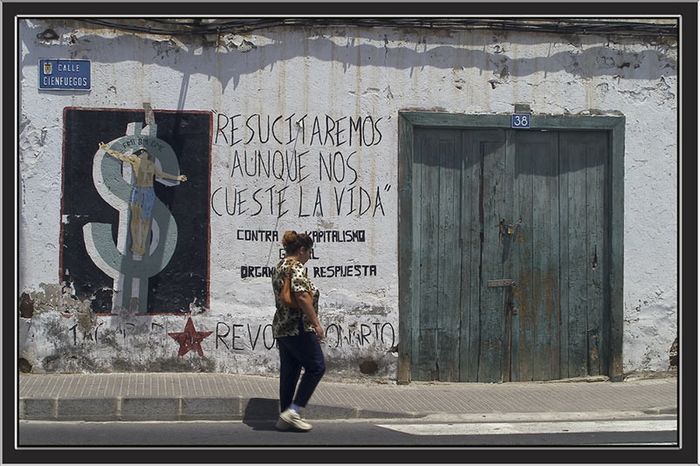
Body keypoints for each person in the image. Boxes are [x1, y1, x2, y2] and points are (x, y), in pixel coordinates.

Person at [271, 231, 326, 431]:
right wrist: (316, 324)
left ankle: (284, 417)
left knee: (290, 372)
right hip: (299, 328)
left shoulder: (279, 267)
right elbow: (302, 297)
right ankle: (294, 411)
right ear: (302, 250)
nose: (310, 256)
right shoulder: (296, 267)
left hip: (282, 327)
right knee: (317, 367)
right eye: (309, 251)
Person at [98, 142, 187, 256]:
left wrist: (177, 177)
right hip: (138, 190)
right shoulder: (135, 159)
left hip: (149, 191)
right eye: (141, 152)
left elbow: (161, 174)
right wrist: (107, 149)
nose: (143, 153)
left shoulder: (151, 164)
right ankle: (136, 244)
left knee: (145, 219)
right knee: (136, 218)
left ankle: (142, 246)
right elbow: (120, 156)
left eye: (144, 152)